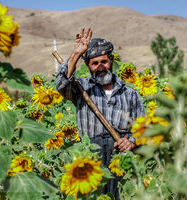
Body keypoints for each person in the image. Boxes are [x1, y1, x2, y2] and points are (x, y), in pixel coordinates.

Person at [56, 27, 144, 199]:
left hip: (120, 159)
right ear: (88, 66)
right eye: (94, 63)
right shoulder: (80, 89)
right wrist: (75, 54)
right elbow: (61, 84)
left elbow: (144, 127)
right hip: (90, 158)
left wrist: (132, 141)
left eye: (104, 61)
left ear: (111, 60)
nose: (100, 67)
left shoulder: (130, 93)